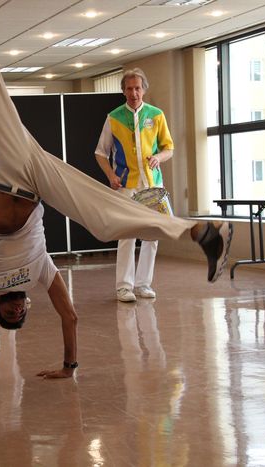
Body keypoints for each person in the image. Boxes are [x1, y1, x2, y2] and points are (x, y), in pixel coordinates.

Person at [0, 51, 233, 396]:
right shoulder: (37, 269)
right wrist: (69, 368)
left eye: (8, 313)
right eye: (19, 314)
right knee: (104, 219)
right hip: (36, 178)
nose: (16, 309)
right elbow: (69, 316)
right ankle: (199, 231)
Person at [95, 68, 173, 303]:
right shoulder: (114, 117)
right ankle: (124, 286)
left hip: (151, 185)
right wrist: (110, 175)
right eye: (129, 88)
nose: (134, 93)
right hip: (126, 186)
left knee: (152, 235)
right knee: (126, 235)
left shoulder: (157, 115)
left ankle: (143, 284)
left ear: (144, 89)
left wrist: (159, 158)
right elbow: (101, 153)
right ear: (123, 91)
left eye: (137, 88)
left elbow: (168, 148)